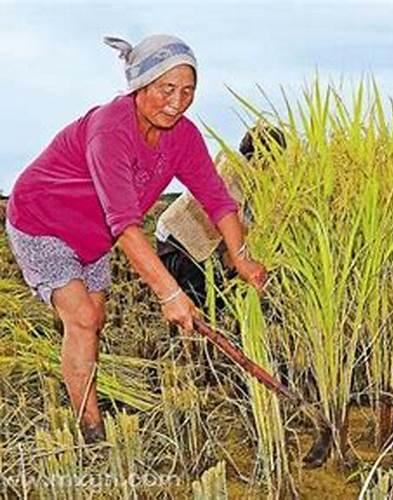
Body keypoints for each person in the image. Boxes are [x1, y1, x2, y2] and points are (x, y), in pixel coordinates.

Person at [4, 34, 267, 443]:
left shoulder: (184, 137)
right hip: (43, 220)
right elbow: (127, 224)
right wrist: (170, 293)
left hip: (93, 236)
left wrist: (242, 255)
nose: (177, 101)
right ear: (139, 86)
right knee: (84, 319)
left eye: (187, 91)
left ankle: (78, 367)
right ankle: (89, 428)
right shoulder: (110, 130)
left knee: (95, 317)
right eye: (167, 88)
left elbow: (218, 200)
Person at [155, 125, 286, 308]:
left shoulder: (256, 182)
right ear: (265, 156)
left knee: (216, 301)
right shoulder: (234, 169)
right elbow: (226, 217)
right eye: (277, 159)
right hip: (180, 240)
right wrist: (243, 263)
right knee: (199, 304)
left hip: (203, 246)